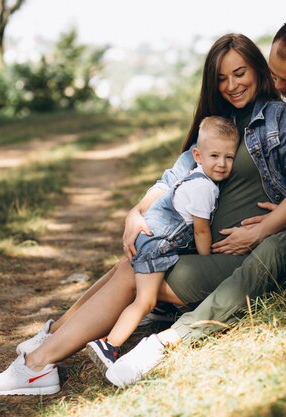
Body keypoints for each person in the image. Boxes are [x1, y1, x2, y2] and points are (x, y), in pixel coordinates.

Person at [0, 32, 286, 396]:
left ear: (257, 69)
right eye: (221, 78)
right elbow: (173, 178)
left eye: (239, 73)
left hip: (243, 257)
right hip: (202, 248)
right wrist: (136, 211)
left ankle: (37, 366)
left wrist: (263, 230)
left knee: (134, 270)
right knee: (129, 261)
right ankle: (48, 341)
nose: (231, 85)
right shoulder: (219, 122)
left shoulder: (281, 119)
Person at [104, 19, 286, 388]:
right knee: (142, 263)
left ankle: (172, 338)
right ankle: (57, 337)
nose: (279, 87)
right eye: (274, 76)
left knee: (277, 245)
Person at [85, 116, 238, 371]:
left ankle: (113, 337)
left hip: (155, 240)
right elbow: (201, 232)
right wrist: (206, 261)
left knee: (147, 298)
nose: (221, 164)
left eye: (229, 157)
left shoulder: (196, 176)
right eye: (214, 156)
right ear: (198, 155)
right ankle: (108, 345)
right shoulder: (203, 188)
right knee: (145, 300)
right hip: (157, 245)